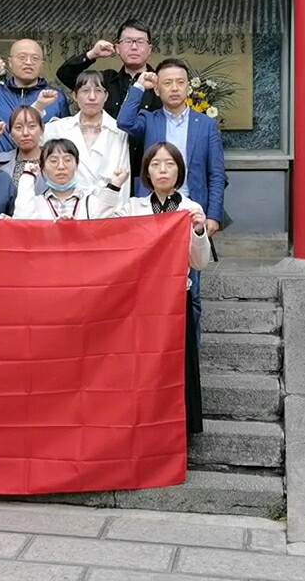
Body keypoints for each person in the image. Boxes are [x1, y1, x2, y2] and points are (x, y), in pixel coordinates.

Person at [110, 143, 210, 434]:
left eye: (169, 164)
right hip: (140, 301)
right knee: (141, 366)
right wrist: (113, 186)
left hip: (176, 299)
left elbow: (199, 262)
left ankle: (180, 430)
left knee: (177, 365)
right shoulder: (133, 208)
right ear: (146, 172)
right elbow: (107, 232)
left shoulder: (190, 209)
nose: (162, 170)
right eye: (155, 164)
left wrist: (199, 231)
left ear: (179, 170)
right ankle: (142, 427)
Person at [117, 59, 227, 237]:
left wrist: (214, 215)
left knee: (191, 255)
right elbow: (124, 122)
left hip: (191, 209)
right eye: (167, 83)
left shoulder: (207, 125)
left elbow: (216, 173)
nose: (174, 88)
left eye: (180, 82)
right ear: (157, 90)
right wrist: (139, 86)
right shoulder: (149, 120)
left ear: (188, 88)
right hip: (153, 206)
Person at [42, 70, 131, 206]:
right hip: (67, 207)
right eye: (85, 91)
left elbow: (124, 179)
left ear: (106, 96)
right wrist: (39, 105)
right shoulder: (58, 128)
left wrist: (120, 213)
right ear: (75, 95)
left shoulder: (119, 131)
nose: (92, 97)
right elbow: (28, 133)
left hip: (109, 208)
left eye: (98, 91)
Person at [56, 19, 161, 118]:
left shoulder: (160, 81)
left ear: (149, 49)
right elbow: (65, 74)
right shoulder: (105, 80)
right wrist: (92, 54)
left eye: (140, 42)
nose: (134, 47)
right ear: (117, 48)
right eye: (128, 41)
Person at [13, 139, 120, 220]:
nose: (61, 166)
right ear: (43, 167)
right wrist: (27, 176)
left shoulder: (90, 202)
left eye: (67, 160)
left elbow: (103, 227)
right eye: (53, 161)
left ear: (77, 164)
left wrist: (114, 186)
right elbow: (22, 220)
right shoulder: (36, 203)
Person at [0, 105, 46, 194]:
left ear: (42, 129)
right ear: (11, 134)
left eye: (31, 126)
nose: (25, 133)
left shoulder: (56, 161)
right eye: (19, 127)